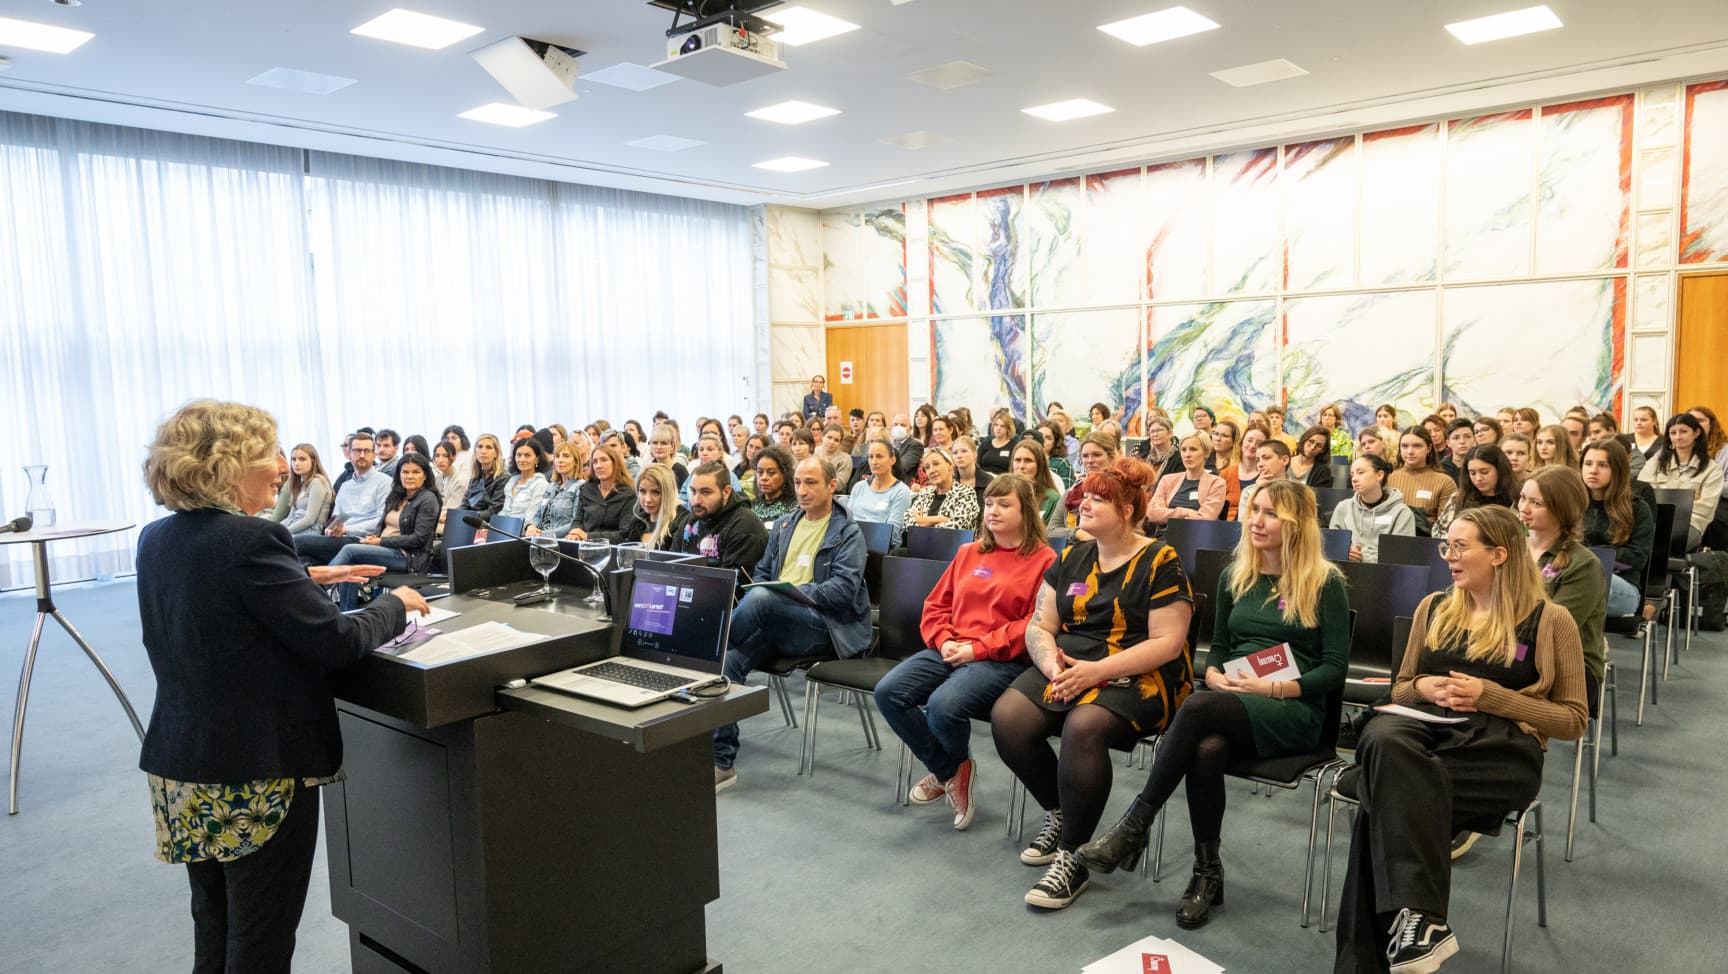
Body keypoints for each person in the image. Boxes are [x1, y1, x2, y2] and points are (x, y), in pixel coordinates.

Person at [137, 400, 427, 974]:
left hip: (184, 763)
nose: (279, 466)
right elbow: (337, 640)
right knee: (261, 941)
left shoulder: (158, 538)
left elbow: (217, 593)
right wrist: (398, 604)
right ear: (226, 465)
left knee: (215, 927)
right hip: (255, 773)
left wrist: (310, 574)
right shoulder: (250, 542)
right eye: (266, 454)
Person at [1081, 480, 1349, 928]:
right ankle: (1207, 872)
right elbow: (1220, 646)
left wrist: (1276, 689)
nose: (1257, 521)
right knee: (1206, 750)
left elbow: (1335, 668)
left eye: (1270, 514)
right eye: (1254, 510)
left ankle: (1134, 825)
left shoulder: (1326, 583)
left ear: (1297, 525)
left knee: (1199, 709)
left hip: (1294, 708)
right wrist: (1215, 674)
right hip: (1236, 697)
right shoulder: (1234, 575)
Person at [1333, 506, 1587, 974]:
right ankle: (1419, 921)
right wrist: (1424, 688)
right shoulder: (1433, 608)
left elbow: (1573, 721)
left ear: (1498, 554)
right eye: (1446, 545)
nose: (1448, 555)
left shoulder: (1552, 621)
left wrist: (1494, 697)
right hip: (1420, 737)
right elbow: (1401, 687)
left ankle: (1373, 955)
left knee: (1382, 796)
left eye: (1459, 546)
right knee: (1384, 741)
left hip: (1498, 753)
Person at [990, 458, 1195, 910]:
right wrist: (1051, 665)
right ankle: (1063, 812)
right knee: (1009, 717)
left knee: (1082, 727)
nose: (1082, 503)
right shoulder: (1073, 555)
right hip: (1070, 664)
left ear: (1127, 511)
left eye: (1098, 499)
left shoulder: (1160, 559)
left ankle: (1072, 857)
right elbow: (1040, 625)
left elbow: (1168, 642)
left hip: (1141, 675)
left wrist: (1093, 673)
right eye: (1084, 495)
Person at [876, 475, 1057, 830]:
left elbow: (1032, 624)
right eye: (989, 504)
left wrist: (978, 649)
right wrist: (943, 640)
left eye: (1005, 504)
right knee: (889, 693)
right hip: (951, 646)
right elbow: (935, 606)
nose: (993, 511)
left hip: (999, 658)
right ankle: (950, 771)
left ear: (1027, 512)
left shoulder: (1044, 559)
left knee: (944, 706)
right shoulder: (969, 552)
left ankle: (947, 772)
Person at [713, 457, 870, 791]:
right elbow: (765, 575)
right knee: (728, 664)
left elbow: (842, 592)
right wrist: (773, 592)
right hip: (776, 622)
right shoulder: (785, 525)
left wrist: (792, 594)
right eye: (798, 482)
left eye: (811, 482)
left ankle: (711, 645)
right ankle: (721, 762)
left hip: (824, 626)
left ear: (831, 485)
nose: (802, 490)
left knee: (760, 600)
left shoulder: (848, 533)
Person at [1518, 465, 1609, 699]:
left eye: (1536, 503)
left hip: (1569, 667)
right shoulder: (1510, 549)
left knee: (1483, 671)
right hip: (1513, 648)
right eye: (1523, 498)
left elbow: (1551, 633)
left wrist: (1501, 646)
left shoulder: (1583, 565)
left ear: (1562, 510)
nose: (1524, 508)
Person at [327, 453, 443, 609]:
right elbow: (383, 525)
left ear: (425, 476)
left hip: (408, 557)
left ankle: (319, 585)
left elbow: (418, 539)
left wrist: (381, 541)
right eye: (405, 472)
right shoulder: (396, 495)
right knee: (352, 564)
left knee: (349, 550)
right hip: (384, 548)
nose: (409, 476)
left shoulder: (428, 499)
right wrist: (374, 537)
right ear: (399, 474)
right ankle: (347, 613)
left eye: (415, 472)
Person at [1580, 439, 1655, 621]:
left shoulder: (1636, 508)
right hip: (1575, 576)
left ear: (1617, 469)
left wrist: (1592, 556)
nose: (1593, 470)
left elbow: (1637, 558)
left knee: (1581, 582)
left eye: (1603, 465)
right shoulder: (1572, 504)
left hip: (1622, 586)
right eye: (1588, 463)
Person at [294, 432, 392, 565]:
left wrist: (347, 529)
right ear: (349, 454)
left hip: (362, 539)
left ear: (374, 454)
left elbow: (381, 520)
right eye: (357, 451)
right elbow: (336, 517)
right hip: (339, 539)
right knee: (303, 560)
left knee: (297, 542)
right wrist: (332, 528)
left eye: (367, 451)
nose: (362, 455)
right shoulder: (345, 486)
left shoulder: (384, 482)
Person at [1638, 412, 1723, 550]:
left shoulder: (1712, 469)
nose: (1678, 437)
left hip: (1691, 524)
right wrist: (1685, 499)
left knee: (1660, 545)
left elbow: (1706, 507)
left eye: (1683, 431)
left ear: (1696, 433)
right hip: (1654, 519)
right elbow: (1642, 493)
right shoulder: (1655, 463)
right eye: (1673, 432)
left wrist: (1664, 497)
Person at [666, 461, 769, 572]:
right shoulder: (689, 522)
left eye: (705, 492)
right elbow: (671, 570)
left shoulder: (745, 526)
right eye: (693, 491)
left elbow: (732, 584)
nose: (696, 500)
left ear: (726, 492)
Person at [1330, 455, 1416, 564]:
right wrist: (1344, 553)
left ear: (1379, 475)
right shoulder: (1343, 508)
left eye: (1360, 473)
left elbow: (1401, 557)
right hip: (1347, 570)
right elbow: (1333, 549)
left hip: (1386, 575)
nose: (1354, 479)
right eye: (1352, 474)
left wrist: (1363, 558)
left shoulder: (1402, 513)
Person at [1433, 444, 1517, 535]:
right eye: (1472, 473)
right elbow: (1438, 531)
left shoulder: (1516, 499)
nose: (1478, 478)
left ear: (1499, 470)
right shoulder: (1458, 498)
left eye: (1484, 472)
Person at [1148, 434, 1228, 528]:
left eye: (1193, 449)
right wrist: (1185, 512)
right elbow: (1151, 513)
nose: (1187, 455)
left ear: (1206, 453)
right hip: (1163, 537)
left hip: (1197, 537)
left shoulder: (1216, 483)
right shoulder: (1167, 480)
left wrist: (1165, 513)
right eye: (1183, 450)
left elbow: (1204, 519)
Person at [849, 438, 914, 548]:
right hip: (851, 544)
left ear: (892, 460)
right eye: (870, 457)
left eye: (879, 456)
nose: (874, 462)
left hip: (881, 549)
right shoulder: (859, 487)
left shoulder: (901, 491)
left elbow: (892, 533)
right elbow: (848, 521)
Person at [1388, 428, 1457, 527]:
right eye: (1404, 446)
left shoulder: (1445, 482)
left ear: (1429, 448)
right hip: (1390, 538)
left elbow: (1445, 528)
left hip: (1427, 539)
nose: (1410, 451)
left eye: (1417, 446)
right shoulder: (1389, 479)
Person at [905, 447, 981, 533]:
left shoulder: (965, 493)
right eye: (927, 467)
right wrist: (940, 519)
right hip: (920, 544)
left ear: (950, 465)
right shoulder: (924, 493)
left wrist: (923, 521)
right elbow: (907, 522)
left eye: (936, 464)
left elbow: (958, 527)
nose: (932, 470)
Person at [571, 444, 636, 542]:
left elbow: (624, 534)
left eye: (604, 460)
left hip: (613, 549)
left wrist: (588, 536)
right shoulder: (586, 489)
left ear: (615, 463)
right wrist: (575, 532)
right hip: (585, 547)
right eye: (594, 462)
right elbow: (578, 520)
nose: (598, 466)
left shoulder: (628, 494)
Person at [525, 442, 584, 540]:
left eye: (566, 456)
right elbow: (538, 514)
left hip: (561, 541)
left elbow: (576, 523)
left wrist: (544, 534)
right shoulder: (552, 486)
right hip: (540, 539)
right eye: (557, 456)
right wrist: (531, 527)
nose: (560, 460)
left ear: (576, 462)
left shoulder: (581, 486)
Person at [276, 444, 333, 536]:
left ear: (313, 461)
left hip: (310, 531)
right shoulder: (299, 483)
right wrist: (274, 529)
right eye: (293, 459)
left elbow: (309, 520)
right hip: (294, 525)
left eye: (302, 459)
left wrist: (283, 532)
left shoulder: (317, 482)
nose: (296, 463)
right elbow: (291, 516)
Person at [621, 464, 683, 549]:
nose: (648, 499)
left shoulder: (681, 524)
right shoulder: (637, 522)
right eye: (642, 491)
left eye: (656, 492)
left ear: (669, 493)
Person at [1010, 439, 1065, 529]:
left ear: (1040, 465)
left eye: (1028, 461)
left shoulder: (1052, 499)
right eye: (1017, 460)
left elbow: (1054, 537)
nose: (1021, 466)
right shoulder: (1003, 495)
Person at [1236, 440, 1291, 521]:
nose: (1260, 464)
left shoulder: (1299, 492)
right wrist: (1259, 491)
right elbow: (1243, 526)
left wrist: (1267, 491)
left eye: (1266, 458)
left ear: (1285, 460)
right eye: (1257, 460)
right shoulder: (1248, 491)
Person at [498, 438, 550, 520]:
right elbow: (504, 512)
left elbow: (531, 517)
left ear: (537, 459)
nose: (522, 459)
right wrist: (493, 527)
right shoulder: (512, 481)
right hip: (504, 528)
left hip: (523, 530)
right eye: (519, 455)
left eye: (527, 455)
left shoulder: (541, 484)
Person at [751, 445, 800, 525]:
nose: (764, 478)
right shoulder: (752, 506)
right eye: (760, 472)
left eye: (771, 473)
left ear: (784, 474)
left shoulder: (795, 507)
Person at [462, 433, 508, 516]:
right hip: (470, 521)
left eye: (488, 447)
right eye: (480, 447)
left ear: (496, 453)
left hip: (488, 524)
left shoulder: (503, 478)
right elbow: (464, 505)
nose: (483, 451)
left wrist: (467, 517)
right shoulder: (475, 478)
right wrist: (453, 514)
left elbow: (494, 511)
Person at [951, 434, 993, 511]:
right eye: (955, 453)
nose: (959, 456)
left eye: (964, 451)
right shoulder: (949, 482)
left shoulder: (989, 481)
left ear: (974, 454)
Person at [430, 441, 470, 522]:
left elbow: (451, 510)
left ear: (454, 457)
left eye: (445, 456)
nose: (440, 460)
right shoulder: (437, 478)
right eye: (437, 456)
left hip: (453, 520)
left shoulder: (460, 480)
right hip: (437, 518)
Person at [978, 408, 1018, 477]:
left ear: (1008, 429)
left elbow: (1013, 469)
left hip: (1003, 480)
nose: (998, 428)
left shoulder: (1014, 446)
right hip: (983, 479)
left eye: (1002, 426)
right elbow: (977, 464)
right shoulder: (986, 443)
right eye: (996, 425)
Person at [816, 423, 854, 489]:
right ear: (822, 437)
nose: (832, 442)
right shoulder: (814, 452)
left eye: (836, 440)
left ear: (840, 443)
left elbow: (840, 484)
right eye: (829, 437)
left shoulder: (845, 459)